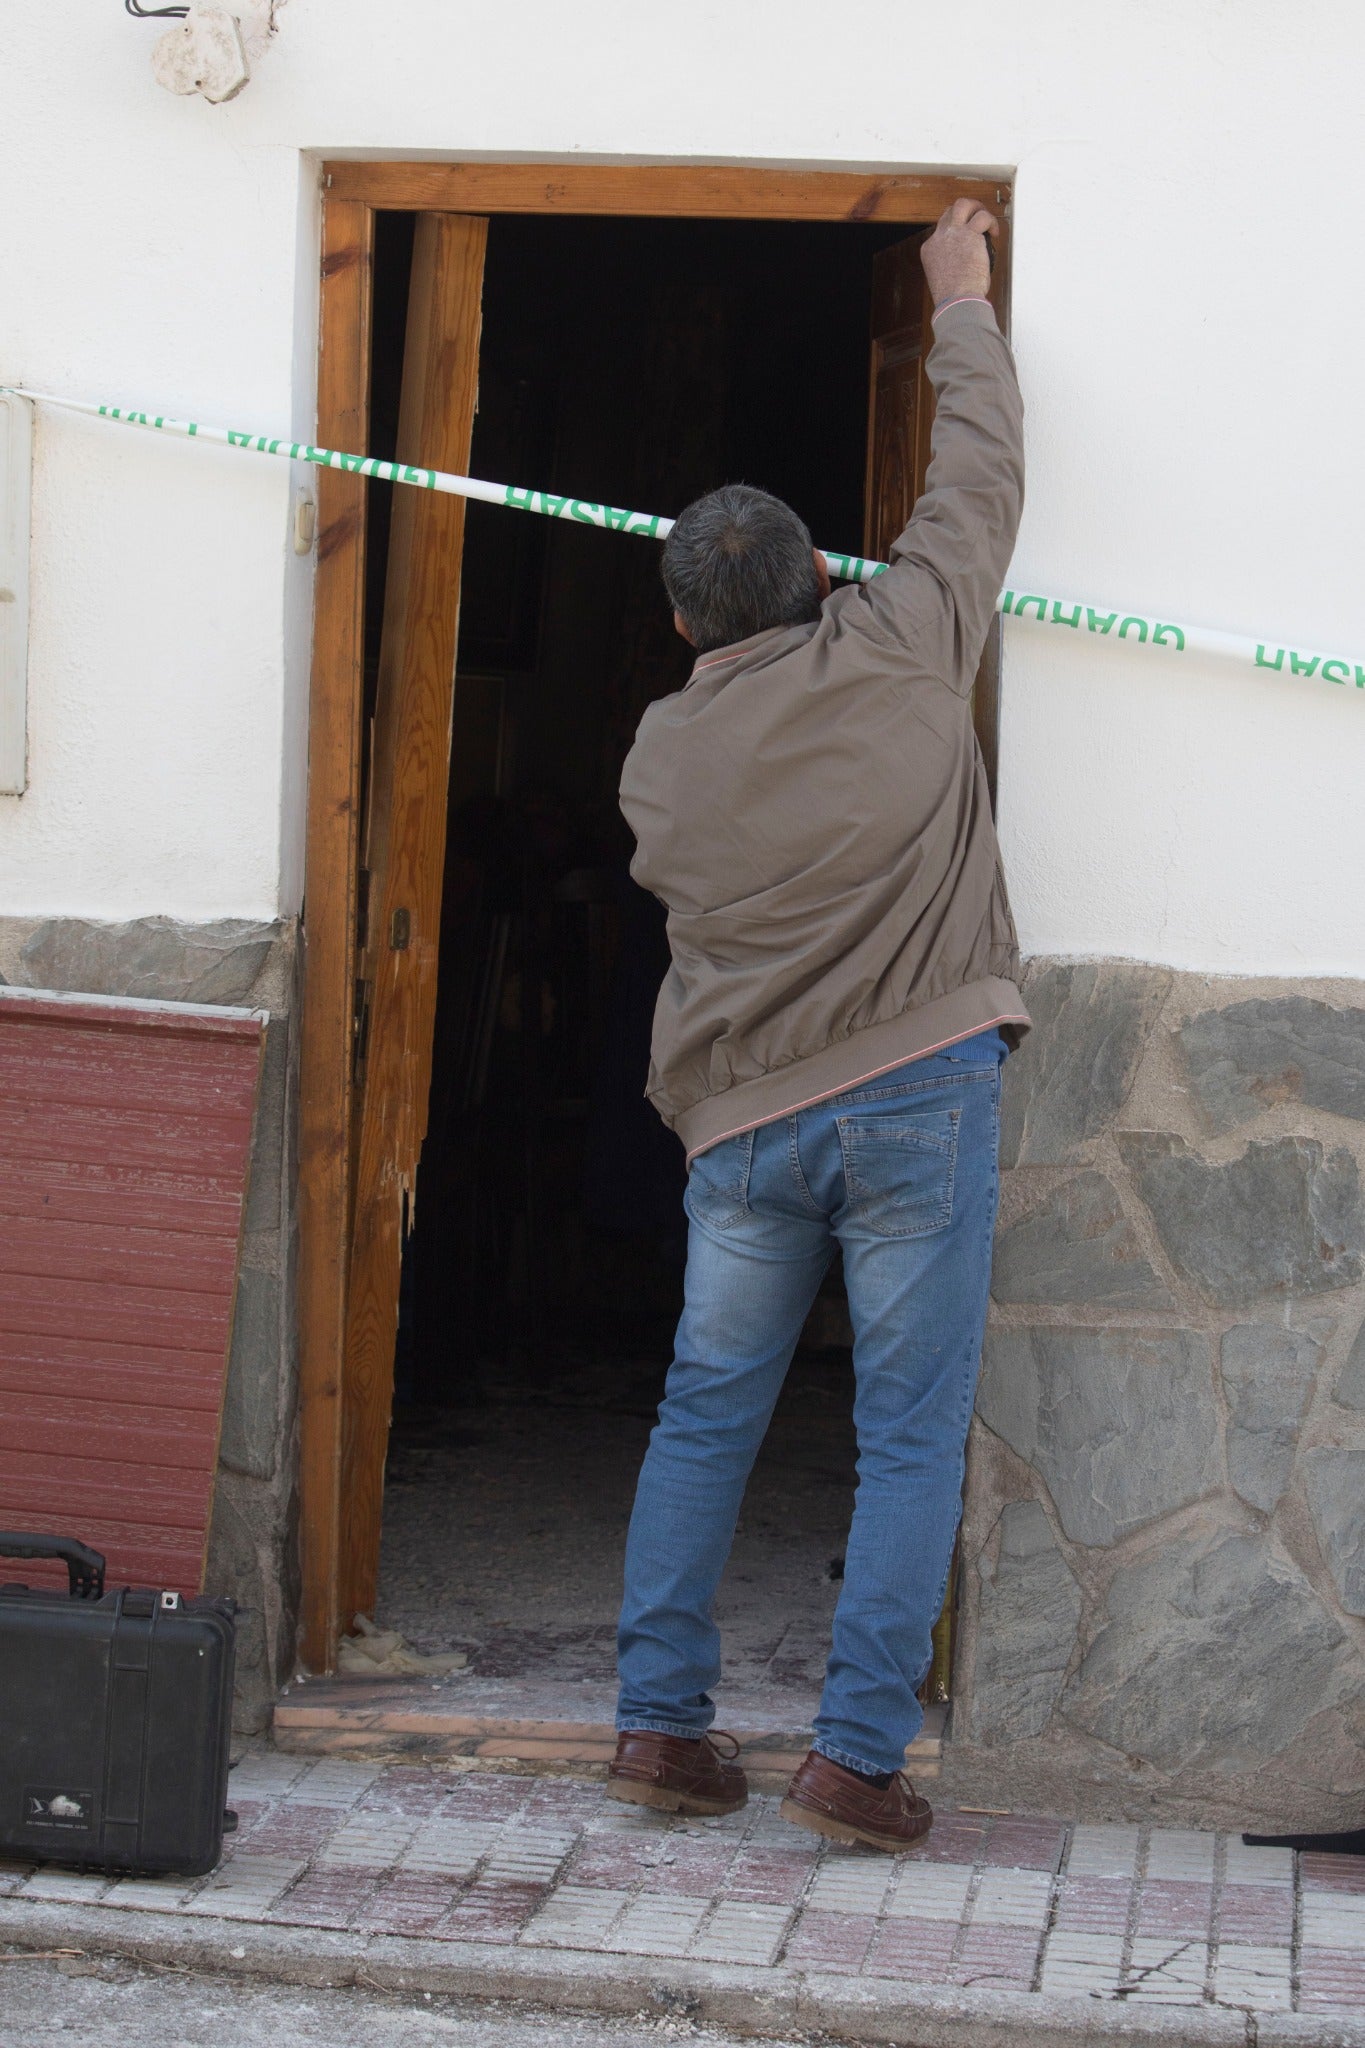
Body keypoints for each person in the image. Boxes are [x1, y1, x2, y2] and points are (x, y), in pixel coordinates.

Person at [605, 200, 1028, 1851]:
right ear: (819, 579)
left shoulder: (655, 759)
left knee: (704, 1410)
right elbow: (976, 480)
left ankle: (659, 1732)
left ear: (686, 627)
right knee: (907, 1430)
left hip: (742, 1125)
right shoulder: (909, 639)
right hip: (921, 1092)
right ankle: (853, 1760)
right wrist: (963, 307)